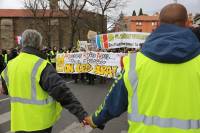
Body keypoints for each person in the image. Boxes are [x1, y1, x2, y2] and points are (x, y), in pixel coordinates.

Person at [85, 3, 200, 133]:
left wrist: (94, 120)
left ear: (157, 24)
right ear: (188, 23)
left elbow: (113, 102)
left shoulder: (134, 63)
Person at [0, 29, 88, 133]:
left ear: (22, 43)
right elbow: (62, 92)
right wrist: (82, 114)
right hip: (40, 124)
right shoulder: (41, 65)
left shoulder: (10, 65)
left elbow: (4, 90)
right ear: (39, 44)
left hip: (19, 123)